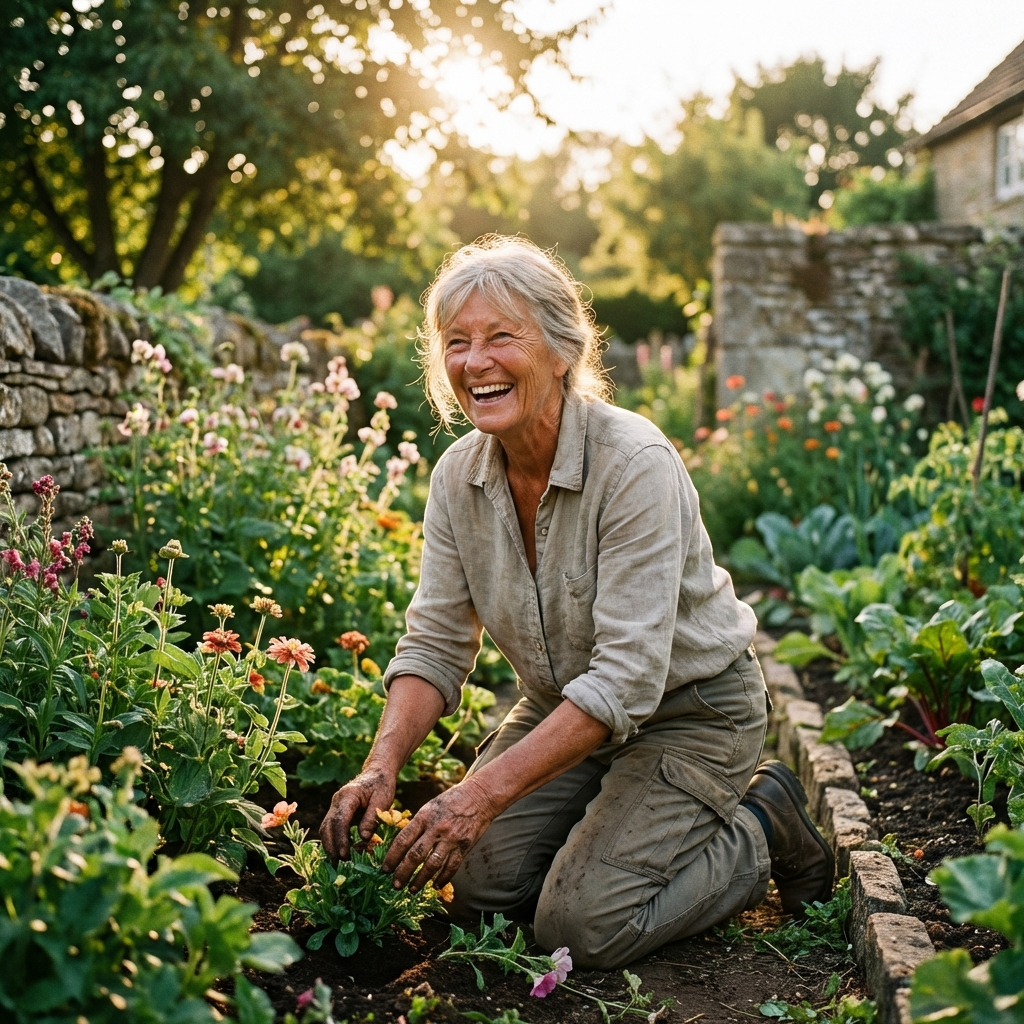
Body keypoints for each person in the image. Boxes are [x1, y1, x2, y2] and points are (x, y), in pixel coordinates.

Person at [319, 235, 833, 969]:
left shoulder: (633, 463)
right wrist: (381, 766)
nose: (475, 362)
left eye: (501, 336)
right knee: (470, 890)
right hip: (563, 704)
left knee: (581, 925)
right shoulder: (457, 478)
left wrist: (480, 796)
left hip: (692, 712)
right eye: (457, 342)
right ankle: (608, 833)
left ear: (562, 350)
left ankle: (762, 824)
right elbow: (434, 644)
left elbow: (626, 679)